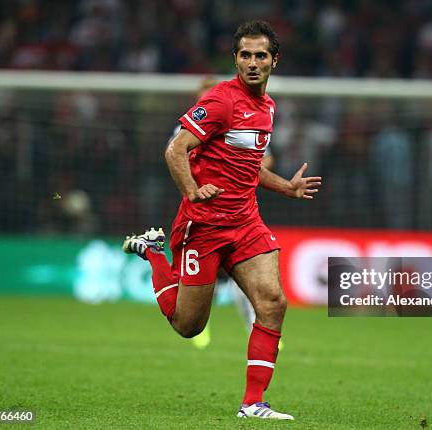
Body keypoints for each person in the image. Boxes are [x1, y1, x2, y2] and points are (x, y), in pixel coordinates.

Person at [123, 20, 321, 420]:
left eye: (260, 55)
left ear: (273, 61)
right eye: (245, 55)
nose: (252, 62)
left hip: (245, 222)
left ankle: (253, 404)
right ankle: (154, 254)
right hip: (204, 225)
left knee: (273, 302)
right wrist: (193, 192)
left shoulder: (267, 108)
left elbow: (249, 167)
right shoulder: (220, 101)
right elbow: (175, 150)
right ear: (235, 59)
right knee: (188, 326)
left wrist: (286, 187)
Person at [174, 76, 274, 350]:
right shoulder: (186, 128)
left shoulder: (245, 117)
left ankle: (256, 327)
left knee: (243, 280)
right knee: (202, 291)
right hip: (201, 216)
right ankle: (198, 328)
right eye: (205, 95)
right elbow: (175, 154)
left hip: (239, 214)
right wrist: (193, 188)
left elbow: (266, 157)